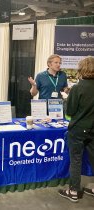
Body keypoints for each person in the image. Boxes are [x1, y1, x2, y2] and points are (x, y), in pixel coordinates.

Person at [58, 56, 94, 202]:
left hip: (78, 130)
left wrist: (66, 99)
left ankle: (73, 191)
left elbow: (70, 112)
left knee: (76, 160)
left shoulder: (78, 88)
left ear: (82, 69)